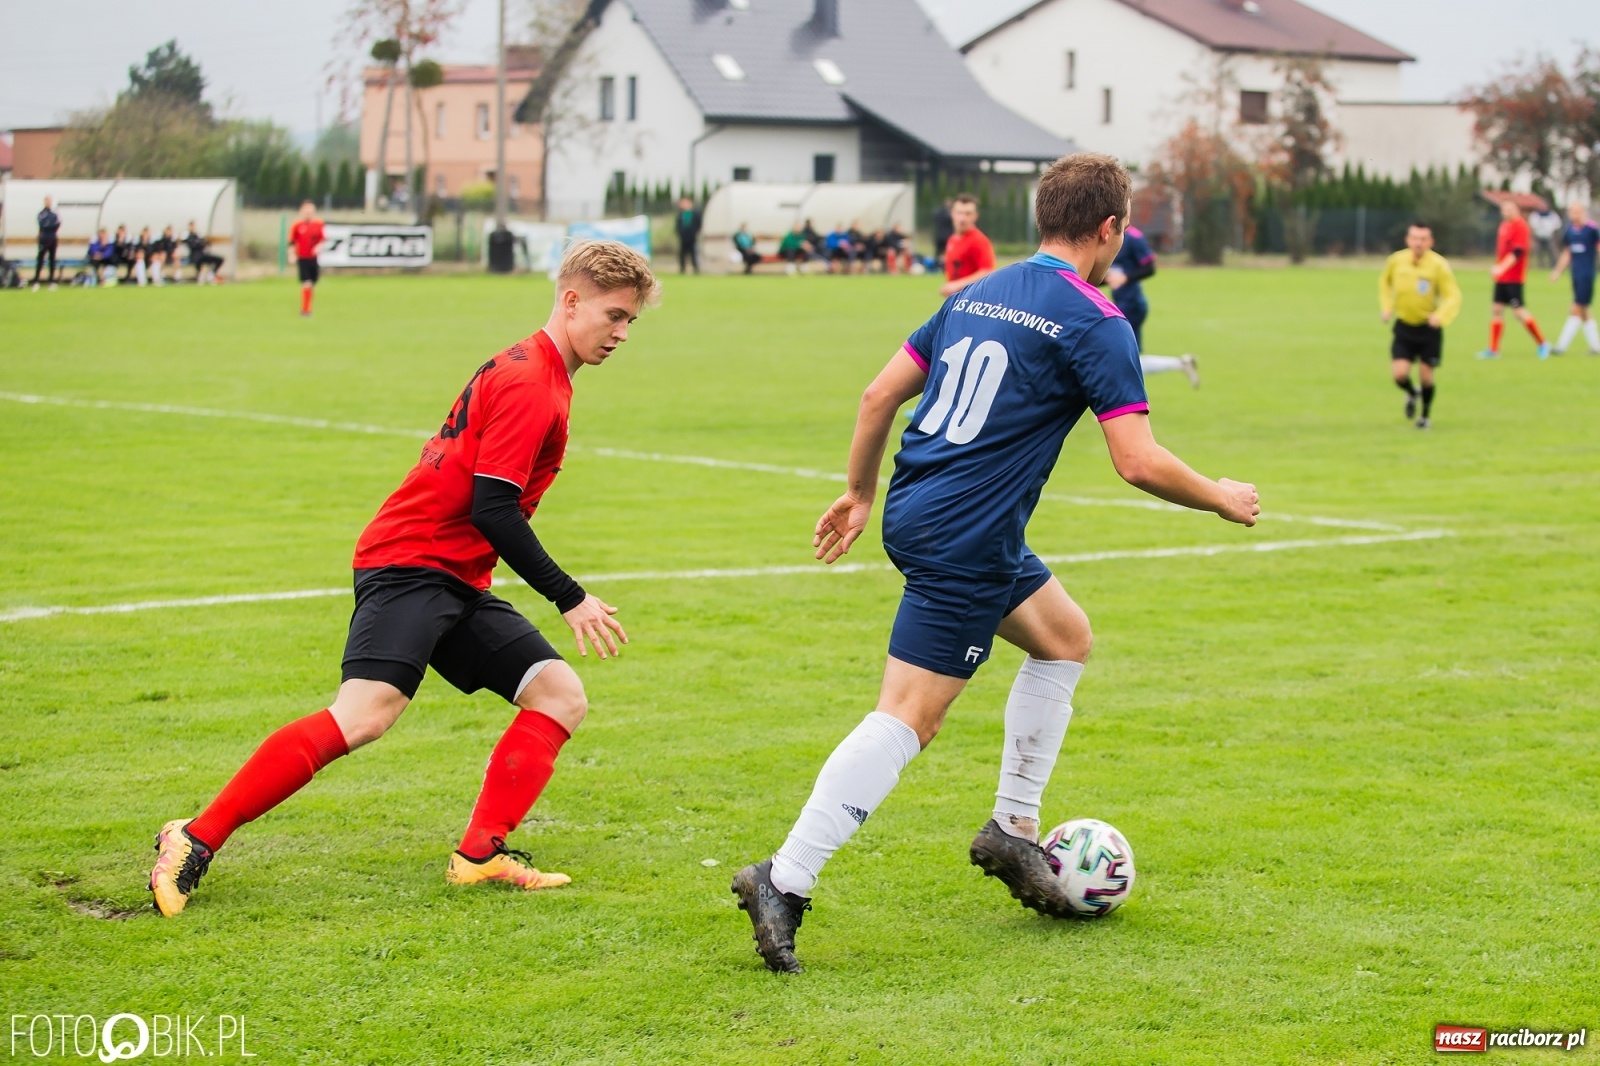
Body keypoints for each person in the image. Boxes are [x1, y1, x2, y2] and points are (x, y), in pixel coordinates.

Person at [730, 152, 1259, 974]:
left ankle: (1013, 832)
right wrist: (1220, 495)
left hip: (920, 509)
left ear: (1043, 216)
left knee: (1065, 637)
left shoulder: (975, 292)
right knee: (909, 715)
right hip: (968, 536)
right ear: (1111, 228)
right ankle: (785, 878)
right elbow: (1137, 460)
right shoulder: (1098, 320)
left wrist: (861, 495)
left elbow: (878, 397)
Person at [147, 240, 662, 917]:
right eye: (614, 315)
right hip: (412, 563)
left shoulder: (538, 370)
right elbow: (493, 507)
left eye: (631, 322)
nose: (621, 333)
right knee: (364, 715)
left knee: (558, 695)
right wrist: (570, 597)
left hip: (454, 572)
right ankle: (194, 837)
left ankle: (479, 855)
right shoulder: (532, 382)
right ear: (570, 302)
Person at [1379, 222, 1461, 429]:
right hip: (1404, 326)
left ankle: (1424, 416)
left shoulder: (1438, 265)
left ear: (1431, 242)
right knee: (1399, 375)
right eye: (1415, 238)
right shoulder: (1396, 261)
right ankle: (1411, 393)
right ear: (1408, 240)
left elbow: (1453, 295)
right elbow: (1384, 283)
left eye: (1423, 239)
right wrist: (1387, 307)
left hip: (1428, 329)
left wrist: (1440, 316)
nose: (1418, 243)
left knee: (1426, 376)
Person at [1104, 222, 1199, 388]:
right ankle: (1181, 364)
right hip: (1121, 304)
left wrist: (1125, 278)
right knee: (1124, 359)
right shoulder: (1108, 235)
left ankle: (1123, 404)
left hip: (1131, 305)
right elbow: (1112, 276)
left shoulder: (1133, 237)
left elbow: (1150, 268)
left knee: (1120, 359)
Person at [1479, 198, 1548, 360]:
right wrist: (1499, 268)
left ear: (1517, 210)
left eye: (1511, 209)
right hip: (1501, 278)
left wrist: (1501, 267)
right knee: (1496, 309)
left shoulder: (1521, 226)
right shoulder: (1504, 226)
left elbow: (1518, 252)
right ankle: (1494, 349)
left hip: (1514, 278)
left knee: (1518, 312)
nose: (1507, 212)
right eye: (1505, 209)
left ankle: (1542, 343)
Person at [1550, 202, 1600, 355]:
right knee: (1584, 311)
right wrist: (1558, 271)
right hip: (1575, 274)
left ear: (1583, 212)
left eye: (1577, 212)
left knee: (1576, 308)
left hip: (1587, 274)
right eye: (1571, 212)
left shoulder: (1592, 229)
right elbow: (1567, 253)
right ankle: (1596, 347)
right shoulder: (1569, 231)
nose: (1574, 215)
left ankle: (1561, 346)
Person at [939, 194, 996, 297]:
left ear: (975, 216)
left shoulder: (979, 240)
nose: (962, 218)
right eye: (959, 213)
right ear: (952, 214)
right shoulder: (952, 239)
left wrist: (957, 285)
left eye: (968, 214)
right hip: (957, 299)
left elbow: (987, 271)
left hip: (973, 300)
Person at [289, 200, 327, 316]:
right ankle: (306, 310)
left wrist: (319, 247)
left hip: (313, 258)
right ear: (302, 212)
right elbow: (291, 242)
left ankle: (307, 306)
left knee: (312, 283)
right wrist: (291, 254)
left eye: (310, 212)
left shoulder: (319, 224)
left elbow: (323, 240)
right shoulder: (297, 226)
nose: (308, 214)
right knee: (307, 283)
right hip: (302, 258)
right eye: (306, 212)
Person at [32, 197, 61, 289]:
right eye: (47, 201)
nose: (48, 203)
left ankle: (51, 281)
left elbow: (57, 224)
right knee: (40, 260)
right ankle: (36, 281)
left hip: (52, 239)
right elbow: (43, 224)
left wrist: (50, 226)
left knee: (52, 260)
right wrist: (49, 226)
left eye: (49, 201)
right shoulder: (41, 214)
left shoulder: (54, 214)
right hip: (44, 239)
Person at [1529, 205, 1561, 270]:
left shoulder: (1552, 214)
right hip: (1538, 236)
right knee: (1538, 251)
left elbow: (1558, 224)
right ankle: (1539, 265)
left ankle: (1553, 265)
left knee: (1552, 251)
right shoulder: (1536, 215)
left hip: (1549, 236)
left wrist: (1552, 229)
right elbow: (1532, 224)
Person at [675, 196, 701, 274]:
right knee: (682, 253)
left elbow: (698, 224)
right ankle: (682, 268)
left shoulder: (695, 213)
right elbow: (678, 225)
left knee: (693, 253)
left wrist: (694, 232)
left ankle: (695, 268)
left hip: (692, 237)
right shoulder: (681, 214)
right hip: (683, 237)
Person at [931, 199, 954, 271]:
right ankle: (944, 267)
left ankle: (935, 267)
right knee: (947, 253)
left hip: (938, 235)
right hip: (947, 236)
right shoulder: (949, 215)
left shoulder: (938, 212)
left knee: (937, 252)